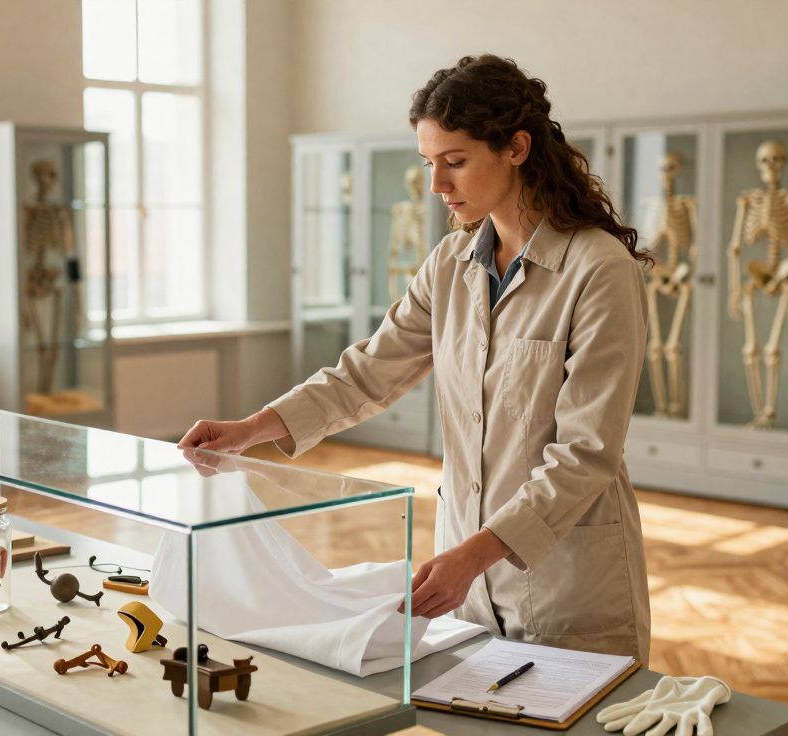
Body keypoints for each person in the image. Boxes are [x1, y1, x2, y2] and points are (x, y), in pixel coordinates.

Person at [178, 54, 652, 664]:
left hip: (567, 585)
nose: (437, 185)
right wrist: (250, 430)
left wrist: (475, 554)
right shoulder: (448, 265)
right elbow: (367, 372)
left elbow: (587, 456)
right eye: (429, 163)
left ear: (516, 148)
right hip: (464, 576)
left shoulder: (598, 269)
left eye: (455, 162)